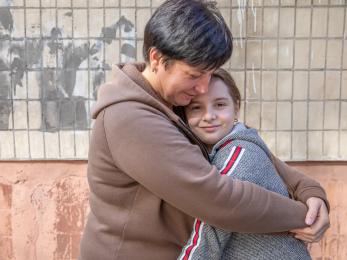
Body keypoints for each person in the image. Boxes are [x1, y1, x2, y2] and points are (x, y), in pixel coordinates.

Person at [78, 1, 330, 259]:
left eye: (209, 75)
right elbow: (218, 199)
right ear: (156, 58)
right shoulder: (130, 119)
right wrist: (301, 216)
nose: (202, 88)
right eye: (194, 75)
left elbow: (250, 147)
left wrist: (310, 193)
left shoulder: (175, 101)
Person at [178, 68, 312, 259]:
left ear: (236, 108)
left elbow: (209, 235)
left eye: (220, 104)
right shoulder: (230, 147)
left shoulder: (238, 155)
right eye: (196, 108)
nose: (209, 116)